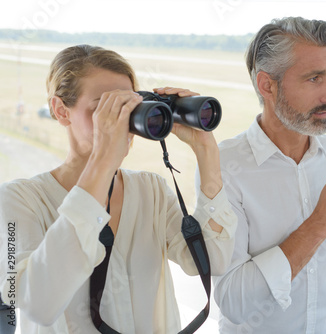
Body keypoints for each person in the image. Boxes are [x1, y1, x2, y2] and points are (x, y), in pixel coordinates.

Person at [0, 45, 236, 333]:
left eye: (129, 108)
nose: (120, 121)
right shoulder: (17, 200)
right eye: (105, 108)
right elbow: (37, 303)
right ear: (61, 111)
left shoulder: (152, 190)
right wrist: (103, 161)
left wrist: (206, 151)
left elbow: (214, 261)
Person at [210, 17, 326, 334]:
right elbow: (232, 301)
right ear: (267, 85)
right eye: (314, 78)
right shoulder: (223, 167)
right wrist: (319, 225)